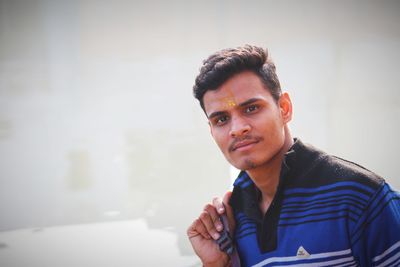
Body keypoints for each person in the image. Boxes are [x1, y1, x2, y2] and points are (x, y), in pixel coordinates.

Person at [186, 45, 400, 267]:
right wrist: (218, 262)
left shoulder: (359, 197)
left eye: (251, 108)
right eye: (221, 119)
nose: (237, 128)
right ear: (211, 131)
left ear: (284, 108)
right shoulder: (231, 220)